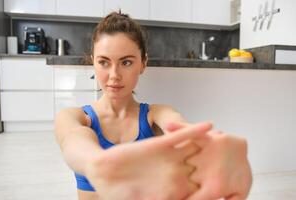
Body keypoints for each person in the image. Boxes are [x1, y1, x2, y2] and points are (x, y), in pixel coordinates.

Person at [55, 11, 252, 200]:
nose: (114, 75)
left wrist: (207, 147)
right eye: (104, 62)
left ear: (143, 63)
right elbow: (74, 139)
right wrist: (95, 164)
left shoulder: (156, 114)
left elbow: (179, 126)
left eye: (126, 62)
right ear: (93, 63)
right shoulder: (73, 117)